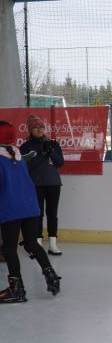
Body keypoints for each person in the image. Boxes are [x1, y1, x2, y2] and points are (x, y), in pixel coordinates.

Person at [0, 121, 61, 304]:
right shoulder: (17, 155)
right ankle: (51, 275)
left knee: (9, 249)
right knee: (32, 244)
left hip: (11, 208)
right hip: (30, 207)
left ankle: (17, 289)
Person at [20, 114, 64, 256]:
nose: (39, 130)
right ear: (30, 130)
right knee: (37, 215)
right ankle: (37, 244)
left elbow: (59, 163)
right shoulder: (25, 146)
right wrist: (41, 155)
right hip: (35, 184)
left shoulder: (53, 144)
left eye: (41, 127)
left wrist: (51, 152)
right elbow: (26, 166)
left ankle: (53, 244)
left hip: (53, 183)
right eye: (35, 128)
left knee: (52, 214)